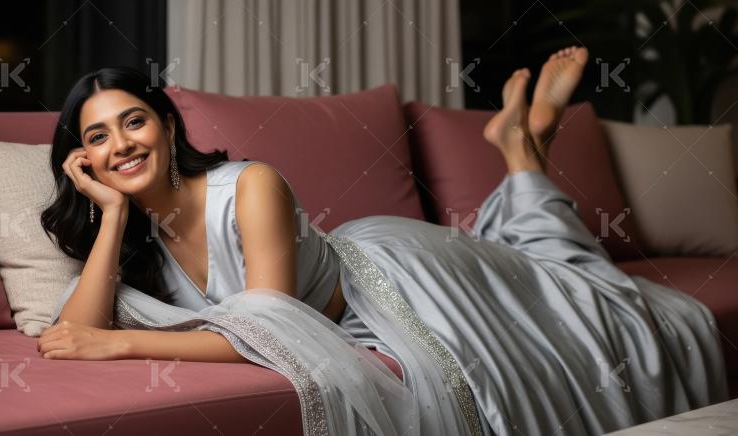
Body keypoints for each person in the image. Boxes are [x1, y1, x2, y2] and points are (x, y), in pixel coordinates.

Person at [39, 47, 728, 435]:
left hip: (400, 281)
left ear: (166, 124)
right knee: (540, 272)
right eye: (98, 136)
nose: (121, 144)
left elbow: (271, 328)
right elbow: (72, 331)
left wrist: (123, 344)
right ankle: (523, 151)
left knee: (572, 292)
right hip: (355, 302)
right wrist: (112, 216)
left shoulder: (249, 186)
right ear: (84, 160)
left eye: (134, 122)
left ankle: (522, 151)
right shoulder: (138, 235)